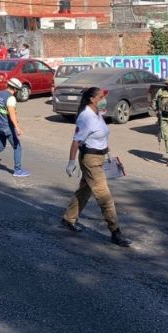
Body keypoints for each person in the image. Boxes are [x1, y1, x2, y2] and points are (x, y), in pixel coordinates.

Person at [61, 86, 131, 247]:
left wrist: (109, 156)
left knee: (85, 190)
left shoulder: (97, 113)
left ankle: (68, 219)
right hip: (90, 160)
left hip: (100, 157)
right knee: (105, 197)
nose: (104, 99)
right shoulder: (86, 117)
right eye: (101, 96)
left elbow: (100, 136)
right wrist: (71, 162)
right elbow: (76, 141)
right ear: (93, 99)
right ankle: (115, 232)